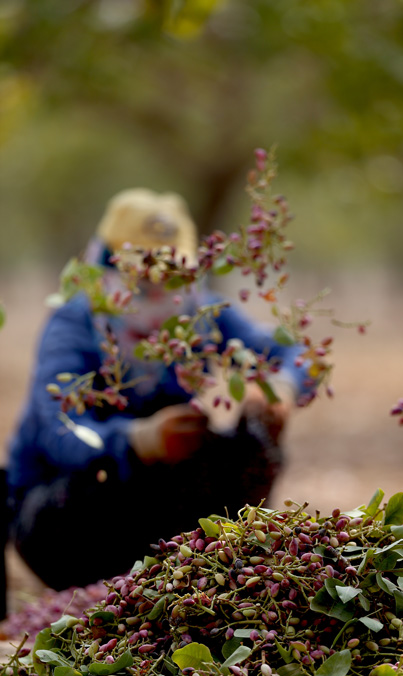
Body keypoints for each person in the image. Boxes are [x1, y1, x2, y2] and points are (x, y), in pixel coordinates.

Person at [6, 189, 313, 591]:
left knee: (253, 440)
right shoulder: (76, 324)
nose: (157, 288)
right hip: (64, 516)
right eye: (143, 273)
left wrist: (281, 387)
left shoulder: (200, 315)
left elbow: (294, 353)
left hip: (157, 508)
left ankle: (215, 567)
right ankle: (118, 587)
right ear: (106, 263)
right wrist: (139, 440)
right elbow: (59, 428)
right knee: (100, 478)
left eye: (170, 275)